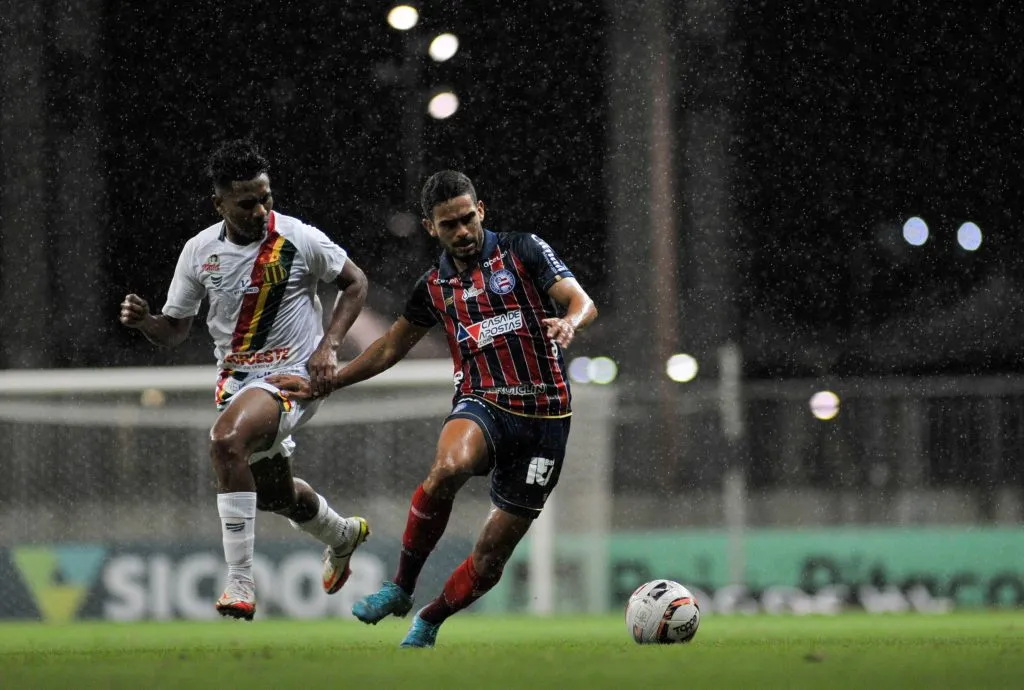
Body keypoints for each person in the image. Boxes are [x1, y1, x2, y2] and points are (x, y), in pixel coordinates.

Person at [268, 170, 598, 647]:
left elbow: (580, 300)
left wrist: (570, 322)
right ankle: (400, 587)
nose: (462, 232)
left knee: (489, 558)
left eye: (468, 219)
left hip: (546, 420)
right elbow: (388, 347)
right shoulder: (433, 286)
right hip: (483, 403)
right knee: (447, 469)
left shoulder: (522, 250)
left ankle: (431, 616)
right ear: (431, 227)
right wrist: (328, 383)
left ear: (480, 210)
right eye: (449, 225)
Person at [118, 139, 371, 621]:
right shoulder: (198, 252)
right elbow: (173, 331)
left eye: (266, 197)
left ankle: (239, 581)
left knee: (225, 443)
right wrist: (144, 321)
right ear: (220, 204)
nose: (261, 210)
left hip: (293, 378)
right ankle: (342, 534)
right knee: (274, 495)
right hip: (237, 384)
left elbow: (356, 282)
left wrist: (329, 346)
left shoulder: (298, 238)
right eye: (247, 202)